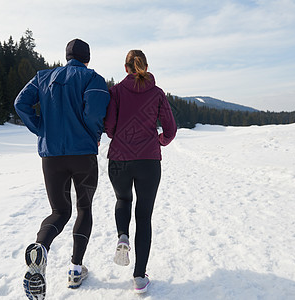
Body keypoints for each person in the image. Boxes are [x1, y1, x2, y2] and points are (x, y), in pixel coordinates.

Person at [14, 38, 110, 299]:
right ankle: (76, 269)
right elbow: (93, 114)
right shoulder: (93, 79)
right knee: (84, 208)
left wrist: (41, 129)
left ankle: (41, 247)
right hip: (83, 154)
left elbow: (20, 104)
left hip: (52, 155)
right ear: (87, 58)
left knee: (59, 211)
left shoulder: (42, 77)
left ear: (67, 56)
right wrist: (94, 135)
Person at [104, 50, 177, 293]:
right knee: (144, 217)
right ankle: (139, 277)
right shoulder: (157, 94)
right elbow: (170, 128)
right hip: (148, 160)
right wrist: (160, 140)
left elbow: (110, 127)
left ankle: (122, 236)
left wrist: (121, 136)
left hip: (119, 159)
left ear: (126, 69)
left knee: (122, 199)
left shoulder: (115, 92)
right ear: (145, 66)